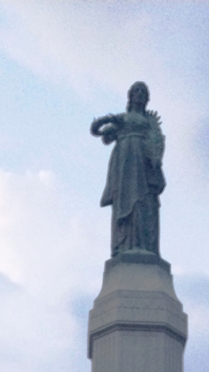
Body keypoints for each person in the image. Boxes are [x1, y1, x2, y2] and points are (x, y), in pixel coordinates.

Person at [90, 81, 165, 256]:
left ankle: (145, 246)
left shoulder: (149, 121)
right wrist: (110, 120)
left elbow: (157, 141)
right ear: (130, 96)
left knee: (145, 201)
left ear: (147, 98)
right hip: (125, 162)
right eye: (136, 91)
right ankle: (125, 245)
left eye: (143, 91)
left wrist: (155, 157)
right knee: (125, 199)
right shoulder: (122, 118)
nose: (139, 94)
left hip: (144, 163)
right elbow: (102, 135)